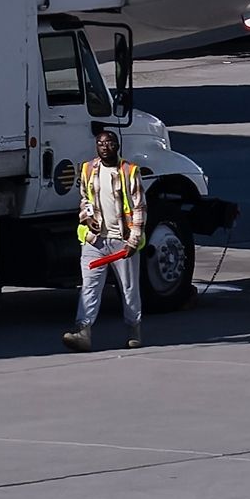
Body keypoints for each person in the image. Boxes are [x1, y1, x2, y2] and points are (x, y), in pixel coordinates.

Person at [68, 133, 148, 351]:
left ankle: (134, 330)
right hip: (95, 242)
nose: (105, 147)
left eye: (109, 143)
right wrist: (87, 218)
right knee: (89, 288)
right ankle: (82, 331)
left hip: (122, 243)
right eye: (101, 144)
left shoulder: (129, 171)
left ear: (117, 146)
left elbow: (139, 208)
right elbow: (85, 199)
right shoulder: (87, 169)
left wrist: (133, 241)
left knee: (129, 289)